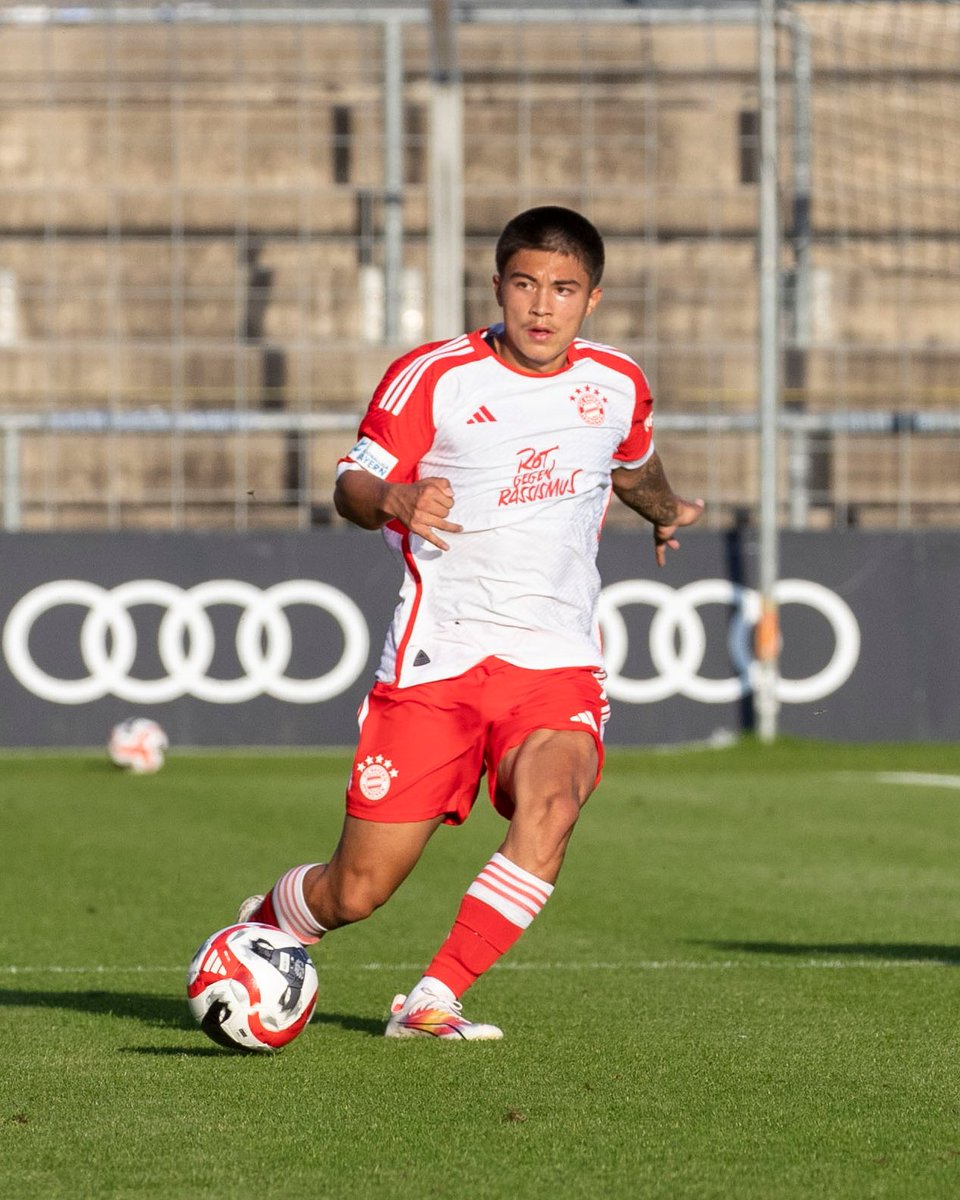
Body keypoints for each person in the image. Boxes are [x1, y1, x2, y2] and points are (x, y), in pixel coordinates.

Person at [239, 206, 703, 1039]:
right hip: (435, 664)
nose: (541, 306)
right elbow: (351, 483)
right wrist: (394, 497)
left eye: (564, 289)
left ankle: (434, 996)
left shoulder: (616, 383)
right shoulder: (435, 376)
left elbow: (633, 465)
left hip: (553, 662)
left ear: (592, 300)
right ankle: (268, 927)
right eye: (525, 283)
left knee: (555, 799)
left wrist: (667, 511)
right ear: (497, 286)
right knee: (357, 891)